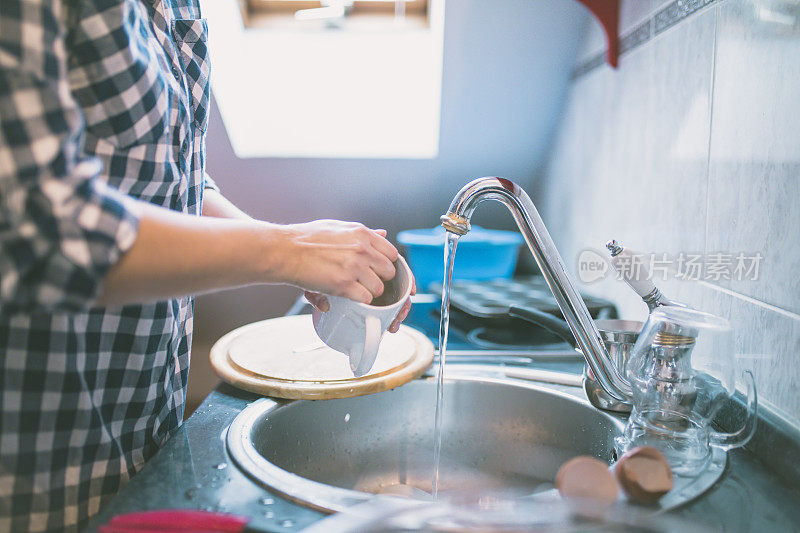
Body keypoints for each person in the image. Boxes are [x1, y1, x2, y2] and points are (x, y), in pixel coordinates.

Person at [0, 0, 413, 530]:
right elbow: (39, 234)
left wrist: (302, 261)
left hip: (141, 436)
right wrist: (288, 248)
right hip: (37, 463)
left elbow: (173, 180)